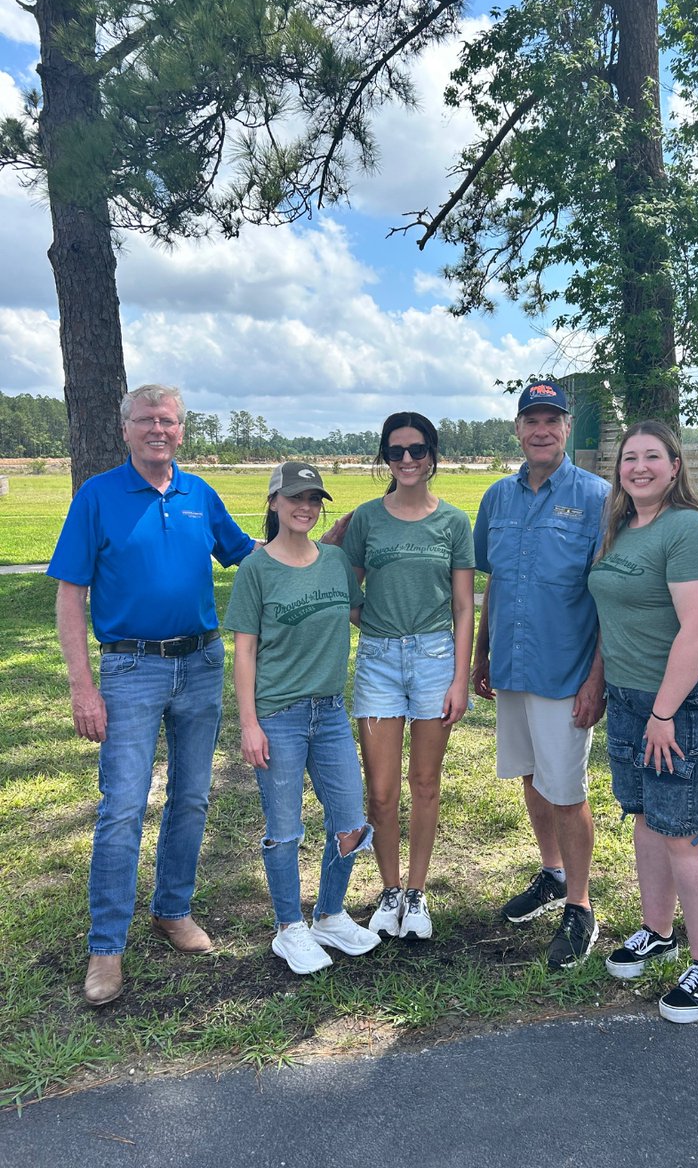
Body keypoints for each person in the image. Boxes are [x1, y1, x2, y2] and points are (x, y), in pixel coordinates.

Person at [48, 383, 257, 1007]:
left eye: (168, 421)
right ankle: (106, 946)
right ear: (126, 429)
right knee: (122, 808)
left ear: (182, 432)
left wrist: (321, 551)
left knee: (191, 797)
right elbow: (69, 595)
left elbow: (249, 558)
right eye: (146, 420)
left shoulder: (199, 494)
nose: (158, 429)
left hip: (201, 662)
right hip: (130, 669)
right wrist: (83, 686)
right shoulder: (98, 496)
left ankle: (173, 910)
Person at [588, 421, 698, 1022]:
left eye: (653, 457)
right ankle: (659, 931)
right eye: (630, 458)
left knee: (685, 830)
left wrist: (663, 713)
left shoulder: (690, 530)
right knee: (649, 821)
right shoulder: (623, 529)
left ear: (675, 466)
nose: (640, 467)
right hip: (634, 699)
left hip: (685, 701)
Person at [472, 380, 610, 968]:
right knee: (531, 776)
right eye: (532, 419)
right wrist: (481, 654)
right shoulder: (497, 499)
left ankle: (580, 905)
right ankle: (552, 874)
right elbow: (492, 584)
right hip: (512, 666)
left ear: (567, 425)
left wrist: (596, 679)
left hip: (566, 671)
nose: (542, 430)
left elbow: (610, 597)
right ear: (518, 427)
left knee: (567, 788)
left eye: (552, 419)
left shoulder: (600, 498)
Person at [225, 463, 380, 975]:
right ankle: (289, 928)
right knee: (286, 828)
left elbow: (361, 613)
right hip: (279, 716)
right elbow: (243, 652)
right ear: (274, 503)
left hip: (330, 710)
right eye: (295, 497)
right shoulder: (257, 569)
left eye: (314, 499)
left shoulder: (335, 562)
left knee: (352, 821)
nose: (305, 507)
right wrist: (249, 723)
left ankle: (330, 914)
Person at [343, 414, 475, 940]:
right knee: (380, 791)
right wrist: (370, 623)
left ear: (432, 453)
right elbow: (346, 588)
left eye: (417, 449)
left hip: (435, 658)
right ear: (384, 458)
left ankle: (416, 894)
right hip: (377, 661)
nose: (407, 460)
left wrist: (459, 679)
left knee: (424, 782)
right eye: (396, 452)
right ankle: (389, 888)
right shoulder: (366, 520)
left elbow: (464, 607)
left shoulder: (454, 523)